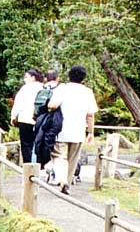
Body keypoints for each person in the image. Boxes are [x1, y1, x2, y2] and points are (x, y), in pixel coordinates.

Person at [48, 65, 98, 195]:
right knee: (72, 160)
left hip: (61, 130)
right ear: (83, 78)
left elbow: (52, 105)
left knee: (59, 156)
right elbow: (90, 114)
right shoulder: (87, 92)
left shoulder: (62, 89)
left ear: (69, 75)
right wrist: (91, 133)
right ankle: (67, 184)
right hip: (78, 131)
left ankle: (62, 179)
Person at [10, 69, 44, 164]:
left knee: (26, 145)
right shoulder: (44, 88)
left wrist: (13, 116)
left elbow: (18, 103)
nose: (24, 80)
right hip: (40, 120)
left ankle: (28, 167)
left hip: (25, 119)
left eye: (26, 77)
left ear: (33, 77)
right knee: (39, 144)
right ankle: (39, 166)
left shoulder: (25, 88)